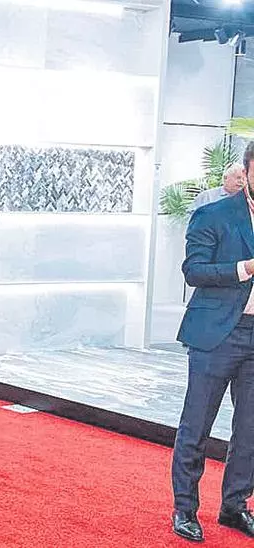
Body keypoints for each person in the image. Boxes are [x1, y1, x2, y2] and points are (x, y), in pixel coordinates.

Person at [170, 143, 254, 542]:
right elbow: (194, 271)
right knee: (197, 424)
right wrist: (244, 268)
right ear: (247, 170)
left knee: (250, 429)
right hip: (217, 334)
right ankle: (185, 508)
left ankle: (235, 505)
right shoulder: (214, 214)